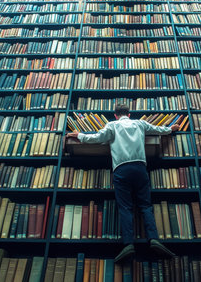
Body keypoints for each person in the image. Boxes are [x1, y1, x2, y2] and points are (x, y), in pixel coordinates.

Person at [67, 104, 179, 263]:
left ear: (115, 115)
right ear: (129, 113)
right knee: (145, 206)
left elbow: (97, 138)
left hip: (121, 169)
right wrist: (171, 129)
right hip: (140, 167)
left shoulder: (112, 125)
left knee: (125, 207)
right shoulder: (139, 123)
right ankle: (153, 239)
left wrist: (80, 135)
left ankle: (128, 244)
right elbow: (158, 129)